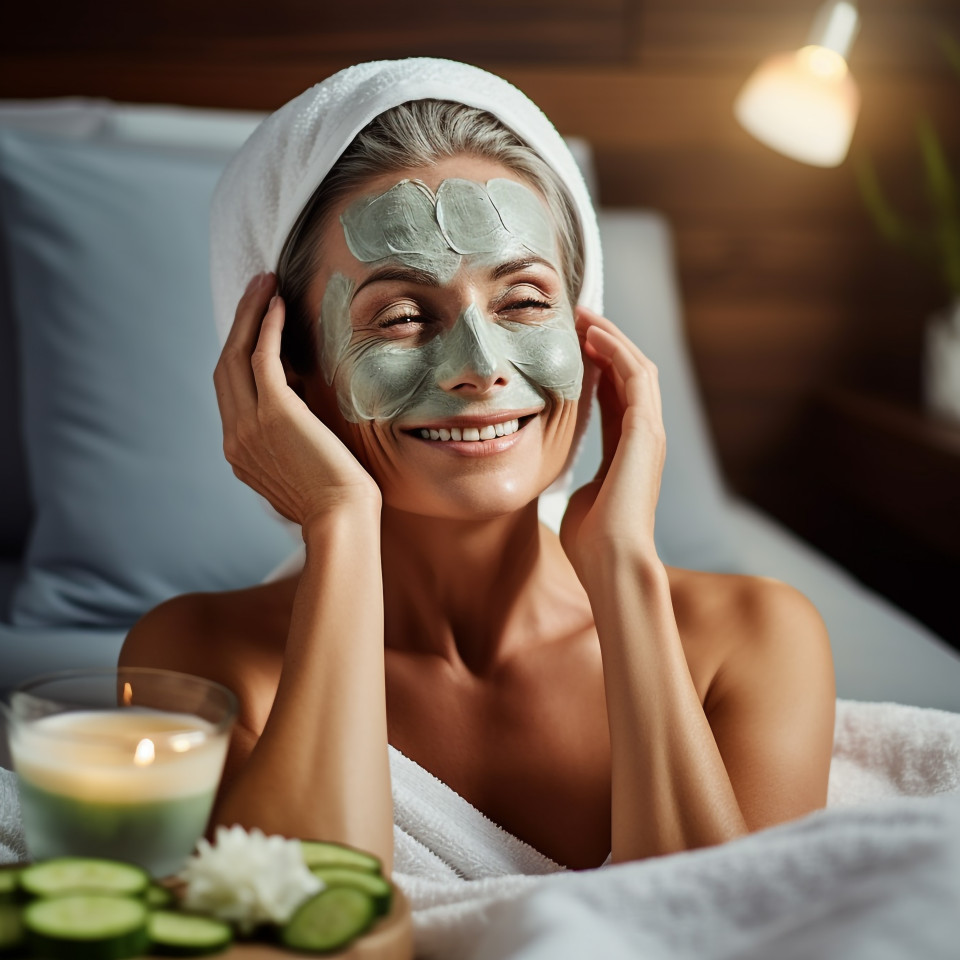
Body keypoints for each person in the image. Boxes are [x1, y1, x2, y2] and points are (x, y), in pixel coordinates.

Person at [120, 59, 836, 877]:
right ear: (288, 372)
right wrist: (339, 526)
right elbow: (310, 936)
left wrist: (625, 573)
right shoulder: (197, 662)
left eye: (525, 302)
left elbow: (732, 934)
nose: (481, 368)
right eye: (399, 315)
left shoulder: (752, 640)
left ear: (587, 333)